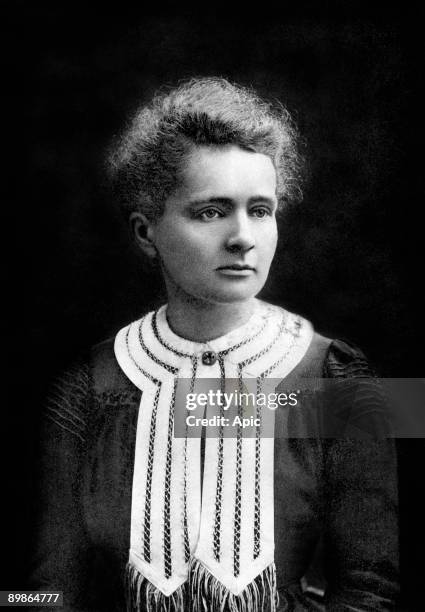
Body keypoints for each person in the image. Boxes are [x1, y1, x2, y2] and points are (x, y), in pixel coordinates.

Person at [29, 77, 398, 611]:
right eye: (210, 211)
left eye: (261, 210)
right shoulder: (88, 390)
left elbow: (372, 590)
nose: (242, 236)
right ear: (145, 230)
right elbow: (42, 595)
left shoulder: (335, 380)